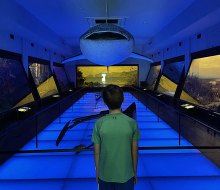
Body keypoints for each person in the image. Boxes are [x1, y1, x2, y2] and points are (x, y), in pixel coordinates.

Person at [92, 84, 140, 190]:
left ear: (104, 102)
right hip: (126, 175)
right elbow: (134, 152)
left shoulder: (99, 124)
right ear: (122, 100)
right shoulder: (132, 123)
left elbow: (96, 152)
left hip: (104, 175)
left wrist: (97, 173)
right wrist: (134, 173)